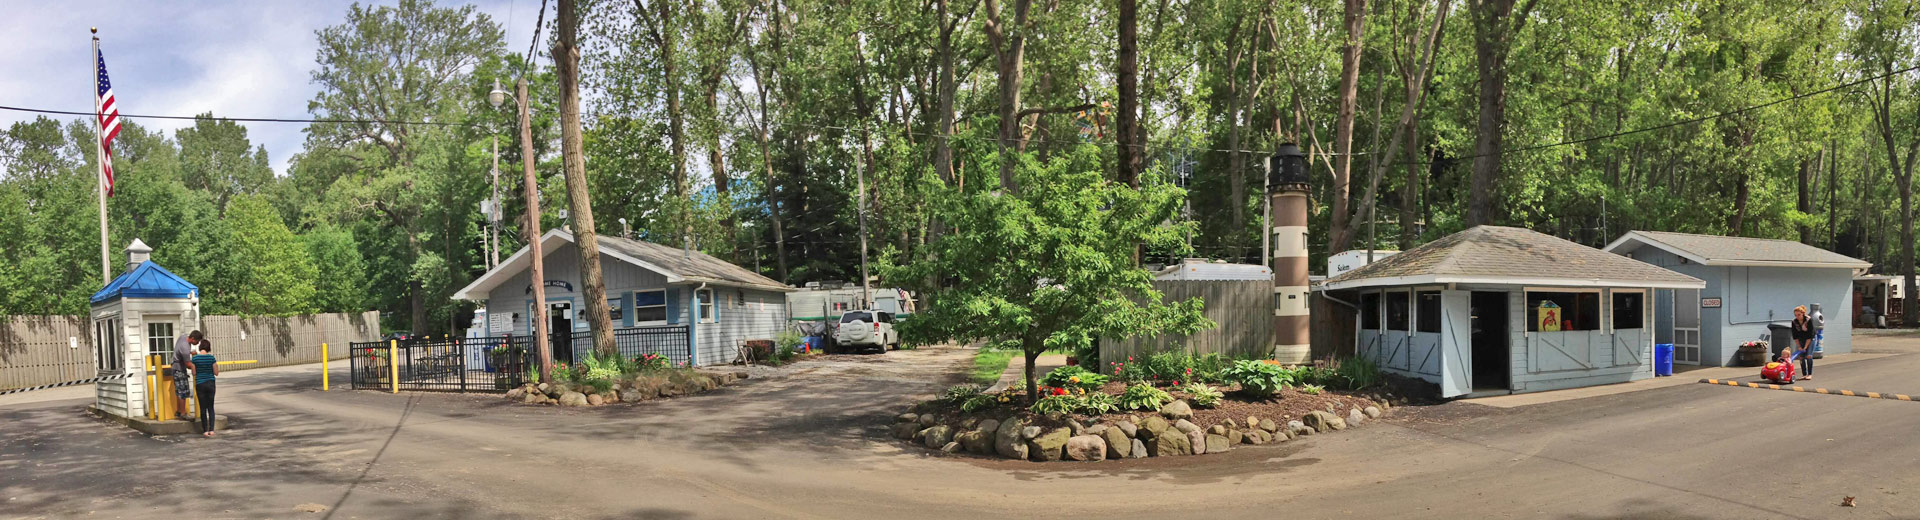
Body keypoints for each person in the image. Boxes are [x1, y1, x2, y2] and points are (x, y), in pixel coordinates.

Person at [190, 339, 219, 437]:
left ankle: (205, 431)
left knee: (203, 408)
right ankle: (212, 430)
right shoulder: (211, 358)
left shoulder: (195, 359)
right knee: (210, 407)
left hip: (200, 384)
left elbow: (193, 373)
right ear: (208, 347)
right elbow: (216, 373)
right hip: (210, 383)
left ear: (200, 347)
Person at [173, 330, 203, 420]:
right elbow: (188, 365)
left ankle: (179, 411)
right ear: (192, 338)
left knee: (180, 391)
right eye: (197, 341)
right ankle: (183, 413)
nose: (197, 343)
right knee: (183, 392)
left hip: (175, 367)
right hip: (179, 369)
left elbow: (179, 350)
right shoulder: (185, 348)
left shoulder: (183, 337)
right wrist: (199, 367)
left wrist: (191, 353)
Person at [1791, 306, 1814, 381]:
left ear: (1803, 313)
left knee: (1808, 356)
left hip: (1811, 339)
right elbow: (1795, 336)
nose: (1797, 317)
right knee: (1801, 357)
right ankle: (1804, 374)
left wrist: (1805, 347)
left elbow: (1810, 336)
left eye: (1799, 315)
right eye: (1796, 315)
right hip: (1801, 339)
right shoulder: (1794, 322)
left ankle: (1809, 374)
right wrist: (1799, 347)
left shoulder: (1808, 320)